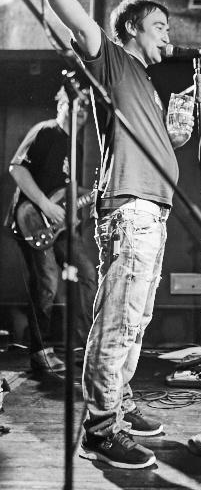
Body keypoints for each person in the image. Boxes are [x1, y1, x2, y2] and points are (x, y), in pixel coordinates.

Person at [15, 0, 196, 469]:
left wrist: (183, 120)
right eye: (159, 25)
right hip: (131, 208)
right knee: (118, 319)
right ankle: (100, 428)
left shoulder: (147, 84)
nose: (167, 34)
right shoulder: (112, 60)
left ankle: (120, 401)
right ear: (132, 29)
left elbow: (165, 145)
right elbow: (76, 18)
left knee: (136, 319)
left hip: (153, 209)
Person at [6, 87, 97, 373]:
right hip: (32, 220)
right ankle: (40, 351)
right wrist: (45, 205)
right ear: (61, 104)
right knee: (47, 282)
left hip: (59, 226)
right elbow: (17, 169)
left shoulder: (75, 145)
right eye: (76, 104)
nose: (82, 111)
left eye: (86, 107)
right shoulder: (45, 131)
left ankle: (83, 346)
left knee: (88, 274)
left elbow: (69, 190)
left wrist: (86, 203)